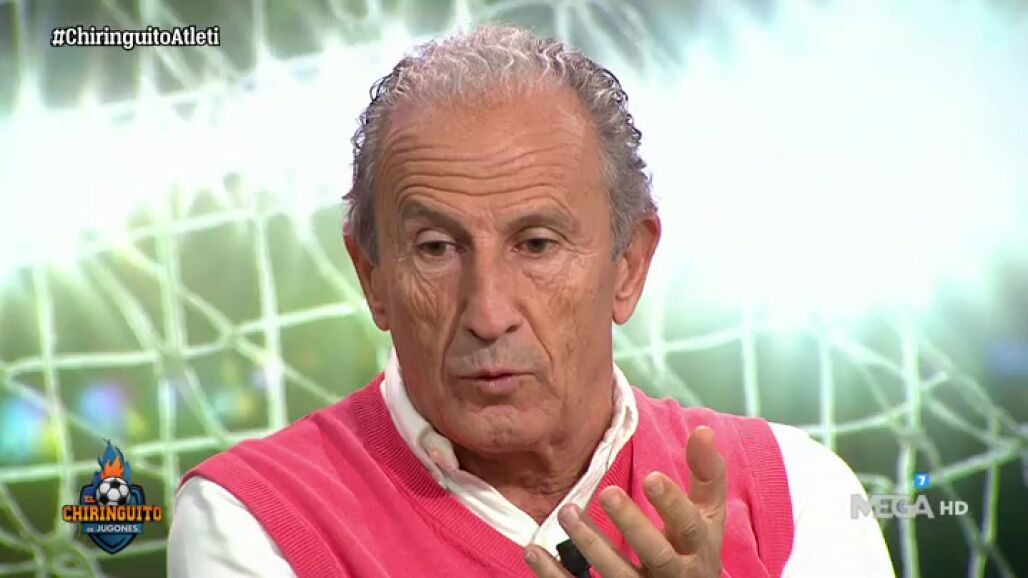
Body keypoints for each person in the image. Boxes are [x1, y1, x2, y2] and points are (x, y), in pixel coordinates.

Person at [167, 24, 893, 578]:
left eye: (537, 245)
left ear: (629, 265)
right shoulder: (255, 517)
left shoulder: (797, 493)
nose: (488, 314)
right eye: (436, 248)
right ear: (372, 277)